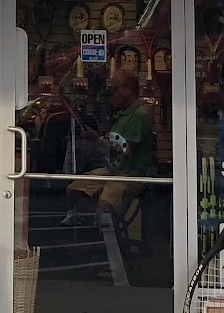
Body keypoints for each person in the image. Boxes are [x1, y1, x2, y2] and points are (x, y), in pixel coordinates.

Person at [64, 75, 157, 235]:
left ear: (128, 89)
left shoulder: (139, 115)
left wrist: (99, 140)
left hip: (130, 175)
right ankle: (81, 218)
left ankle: (109, 239)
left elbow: (125, 151)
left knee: (105, 210)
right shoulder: (123, 114)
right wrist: (98, 139)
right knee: (73, 189)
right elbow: (115, 144)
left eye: (115, 89)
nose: (112, 94)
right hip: (113, 171)